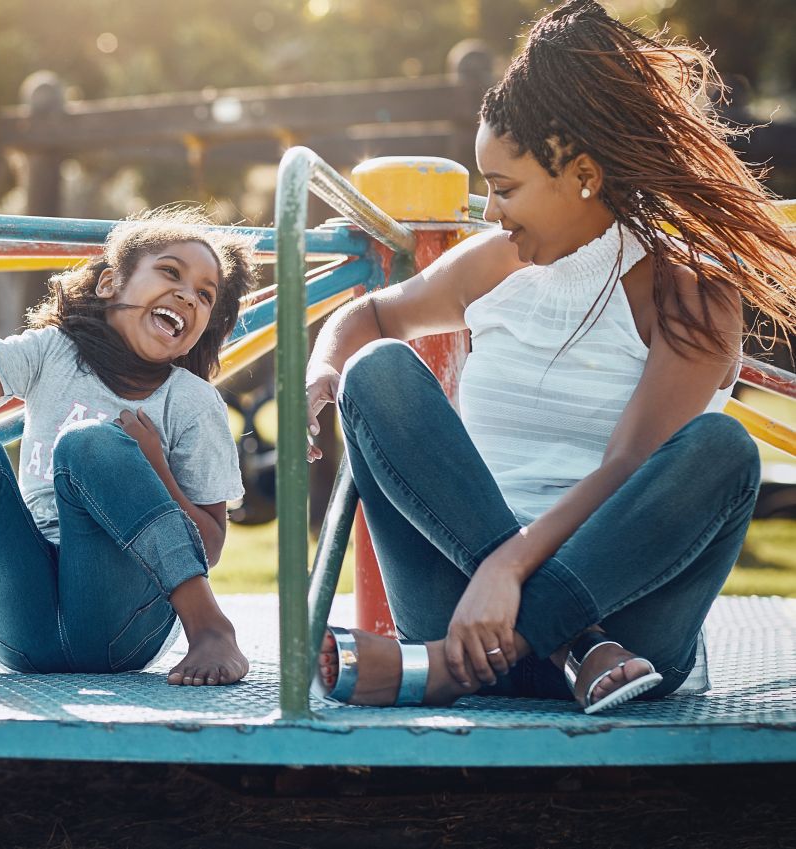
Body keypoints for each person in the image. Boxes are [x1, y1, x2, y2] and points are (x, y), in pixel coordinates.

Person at [306, 0, 796, 714]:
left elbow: (628, 467)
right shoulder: (490, 264)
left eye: (504, 189)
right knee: (376, 370)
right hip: (471, 606)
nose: (490, 212)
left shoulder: (689, 292)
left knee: (722, 449)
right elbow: (372, 314)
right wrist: (325, 364)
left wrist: (511, 568)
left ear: (583, 174)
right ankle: (568, 645)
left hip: (630, 633)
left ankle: (445, 670)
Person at [0, 197, 258, 689]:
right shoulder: (53, 354)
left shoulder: (193, 402)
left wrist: (154, 467)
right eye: (170, 273)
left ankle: (210, 629)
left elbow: (212, 544)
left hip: (120, 626)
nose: (188, 296)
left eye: (205, 296)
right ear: (109, 284)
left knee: (90, 445)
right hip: (20, 625)